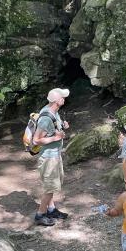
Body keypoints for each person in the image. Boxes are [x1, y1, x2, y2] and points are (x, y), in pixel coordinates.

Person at [32, 87, 71, 227]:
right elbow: (36, 140)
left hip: (54, 155)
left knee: (53, 185)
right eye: (62, 97)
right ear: (56, 101)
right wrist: (56, 137)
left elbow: (54, 129)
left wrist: (62, 128)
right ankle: (40, 215)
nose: (64, 99)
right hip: (48, 158)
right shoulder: (46, 117)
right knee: (49, 188)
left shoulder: (53, 111)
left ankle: (51, 209)